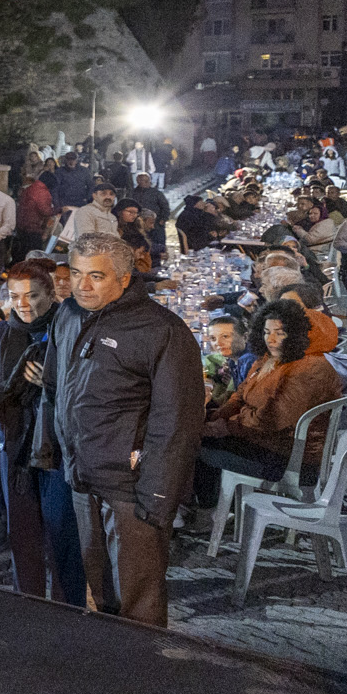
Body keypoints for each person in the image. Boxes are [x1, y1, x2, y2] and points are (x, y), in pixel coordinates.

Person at [48, 233, 206, 629]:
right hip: (83, 476)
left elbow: (177, 421)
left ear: (123, 277)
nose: (82, 285)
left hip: (131, 488)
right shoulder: (67, 315)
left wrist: (156, 493)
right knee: (99, 592)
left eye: (96, 276)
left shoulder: (161, 330)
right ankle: (109, 669)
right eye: (77, 273)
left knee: (139, 600)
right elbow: (56, 387)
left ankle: (143, 676)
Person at [193, 299, 344, 501]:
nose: (270, 339)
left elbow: (271, 418)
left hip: (290, 457)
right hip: (264, 439)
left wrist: (226, 427)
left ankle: (208, 514)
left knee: (197, 445)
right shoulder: (273, 358)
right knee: (196, 430)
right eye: (266, 332)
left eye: (279, 333)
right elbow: (241, 394)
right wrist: (216, 418)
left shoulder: (308, 369)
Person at [0, 262, 79, 604]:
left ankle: (65, 609)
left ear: (50, 293)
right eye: (15, 296)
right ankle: (25, 604)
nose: (23, 304)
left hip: (56, 443)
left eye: (32, 295)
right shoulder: (2, 334)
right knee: (22, 533)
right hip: (13, 443)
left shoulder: (68, 327)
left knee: (62, 535)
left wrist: (52, 381)